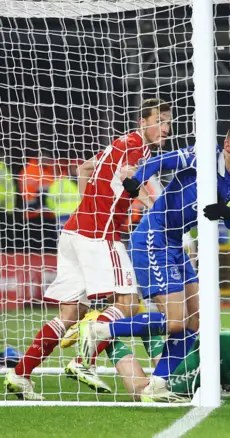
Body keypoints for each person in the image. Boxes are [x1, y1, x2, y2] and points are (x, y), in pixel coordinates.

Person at [4, 98, 171, 400]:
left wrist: (87, 209)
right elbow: (127, 178)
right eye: (160, 120)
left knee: (69, 313)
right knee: (129, 304)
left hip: (74, 231)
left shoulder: (117, 144)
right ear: (142, 122)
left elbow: (84, 168)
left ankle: (21, 374)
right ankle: (84, 360)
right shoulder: (137, 146)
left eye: (168, 122)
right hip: (100, 235)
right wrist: (153, 206)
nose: (166, 128)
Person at [78, 126, 230, 402]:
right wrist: (137, 180)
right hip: (153, 238)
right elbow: (159, 161)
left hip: (175, 244)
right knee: (176, 323)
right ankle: (101, 329)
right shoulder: (204, 157)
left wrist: (224, 210)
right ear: (229, 145)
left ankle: (157, 385)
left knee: (196, 323)